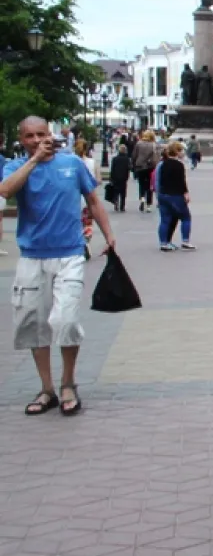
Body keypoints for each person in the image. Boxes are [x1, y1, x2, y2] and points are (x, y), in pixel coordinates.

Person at [1, 116, 116, 416]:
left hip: (69, 253)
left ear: (50, 134)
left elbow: (92, 200)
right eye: (30, 136)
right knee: (33, 323)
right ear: (21, 139)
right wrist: (34, 160)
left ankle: (68, 383)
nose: (37, 140)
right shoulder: (16, 167)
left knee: (65, 320)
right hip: (31, 255)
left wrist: (109, 235)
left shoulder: (72, 164)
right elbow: (5, 191)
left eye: (42, 134)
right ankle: (46, 388)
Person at [157, 141, 195, 251]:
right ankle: (185, 240)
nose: (183, 152)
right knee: (186, 217)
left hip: (163, 194)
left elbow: (160, 180)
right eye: (181, 150)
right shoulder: (179, 165)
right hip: (175, 195)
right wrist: (186, 193)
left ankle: (163, 243)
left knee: (165, 220)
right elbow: (181, 181)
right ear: (177, 152)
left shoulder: (163, 164)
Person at [131, 130, 157, 212]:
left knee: (141, 184)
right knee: (150, 186)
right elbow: (155, 157)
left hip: (140, 167)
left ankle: (142, 198)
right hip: (150, 167)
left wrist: (134, 164)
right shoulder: (153, 145)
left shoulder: (139, 143)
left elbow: (134, 155)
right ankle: (148, 205)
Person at [109, 145, 131, 212]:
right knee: (123, 192)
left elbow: (112, 169)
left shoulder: (115, 159)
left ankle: (116, 202)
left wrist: (111, 177)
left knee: (116, 191)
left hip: (115, 177)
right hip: (123, 177)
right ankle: (122, 206)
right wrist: (127, 176)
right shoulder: (127, 159)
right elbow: (128, 169)